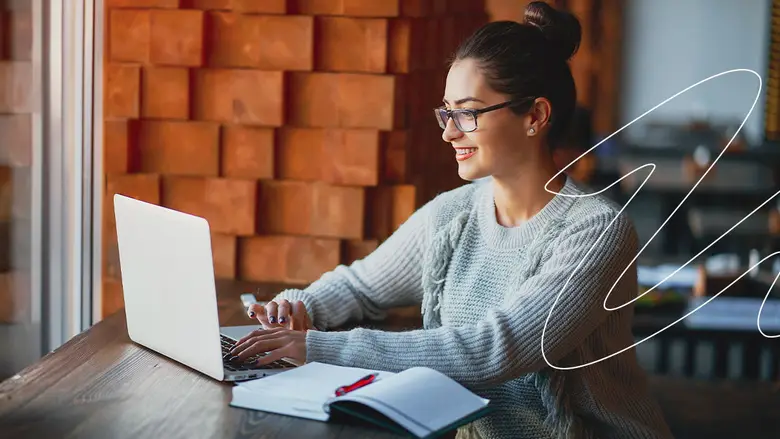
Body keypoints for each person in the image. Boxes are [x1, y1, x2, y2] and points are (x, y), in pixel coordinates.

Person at [227, 3, 673, 438]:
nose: (448, 131)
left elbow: (496, 349)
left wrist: (318, 348)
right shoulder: (453, 213)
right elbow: (360, 286)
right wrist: (295, 310)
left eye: (469, 112)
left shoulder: (596, 232)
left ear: (535, 116)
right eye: (447, 111)